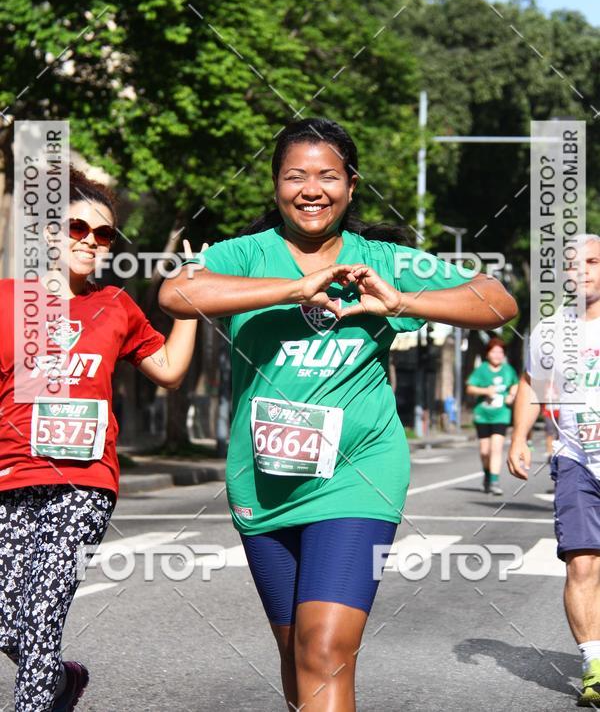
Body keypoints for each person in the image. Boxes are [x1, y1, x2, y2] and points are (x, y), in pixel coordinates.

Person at [160, 117, 517, 711]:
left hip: (359, 475)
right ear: (275, 186)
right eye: (294, 175)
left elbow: (497, 300)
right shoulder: (244, 254)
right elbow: (177, 294)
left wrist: (402, 301)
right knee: (296, 654)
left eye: (328, 175)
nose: (311, 189)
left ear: (351, 186)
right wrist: (294, 289)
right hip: (264, 480)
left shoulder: (382, 259)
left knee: (324, 650)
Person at [0, 167, 198, 712]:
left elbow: (169, 369)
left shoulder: (116, 305)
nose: (90, 240)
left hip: (83, 481)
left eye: (103, 234)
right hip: (9, 476)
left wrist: (191, 296)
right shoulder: (6, 301)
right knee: (6, 618)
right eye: (76, 227)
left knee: (42, 617)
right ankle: (62, 680)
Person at [508, 234, 600, 707]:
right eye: (572, 264)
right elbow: (531, 384)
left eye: (592, 262)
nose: (581, 270)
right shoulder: (549, 331)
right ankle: (594, 665)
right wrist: (519, 436)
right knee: (582, 563)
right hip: (576, 460)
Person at [466, 338, 519, 495]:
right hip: (482, 415)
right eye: (494, 351)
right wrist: (485, 391)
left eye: (500, 352)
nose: (497, 355)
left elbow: (515, 384)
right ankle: (487, 476)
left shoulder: (508, 370)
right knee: (484, 451)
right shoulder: (481, 369)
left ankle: (495, 482)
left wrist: (511, 395)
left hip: (501, 415)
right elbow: (470, 388)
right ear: (488, 354)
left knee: (496, 448)